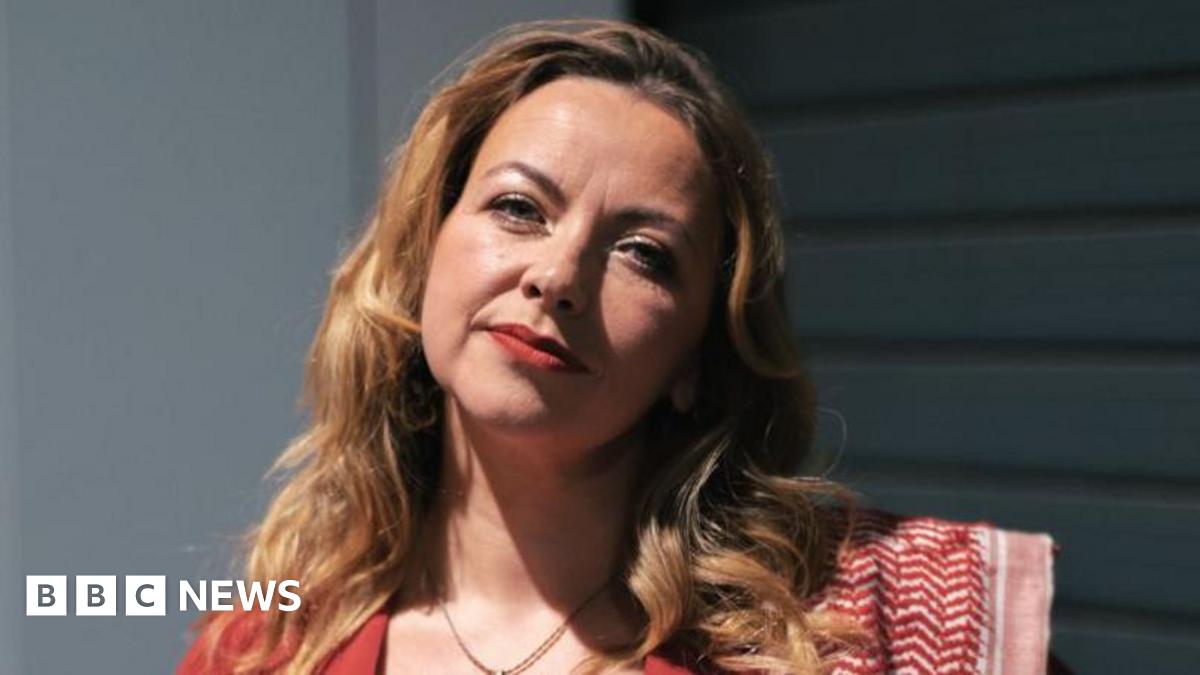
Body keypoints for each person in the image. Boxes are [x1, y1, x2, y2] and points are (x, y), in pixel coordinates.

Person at [177, 19, 1058, 675]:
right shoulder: (265, 644)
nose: (558, 276)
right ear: (423, 254)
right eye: (519, 207)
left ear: (696, 359)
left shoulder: (856, 626)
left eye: (644, 254)